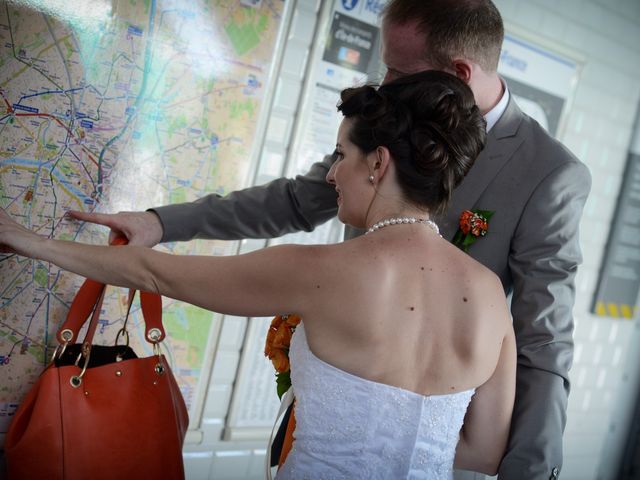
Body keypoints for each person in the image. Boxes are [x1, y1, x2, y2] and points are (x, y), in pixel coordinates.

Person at [66, 1, 592, 478]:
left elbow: (544, 343)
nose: (383, 82)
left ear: (456, 73)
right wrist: (162, 223)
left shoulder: (549, 174)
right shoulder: (388, 124)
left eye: (398, 70)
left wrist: (526, 473)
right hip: (326, 417)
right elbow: (296, 200)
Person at [1, 71, 515, 478]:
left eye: (342, 155)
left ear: (378, 163)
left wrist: (32, 241)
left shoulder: (325, 271)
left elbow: (157, 274)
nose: (333, 173)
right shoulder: (491, 296)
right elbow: (485, 451)